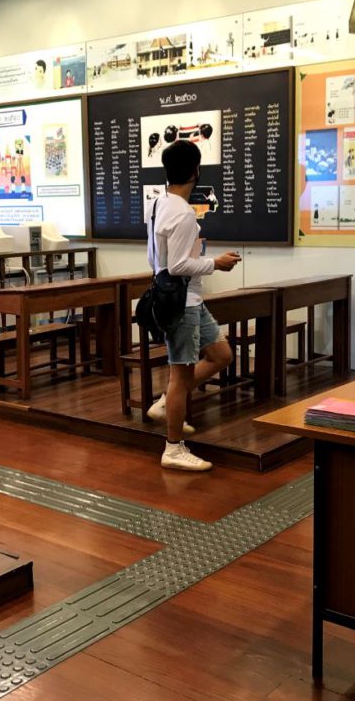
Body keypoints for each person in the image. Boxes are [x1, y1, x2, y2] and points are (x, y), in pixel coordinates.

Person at [145, 140, 241, 471]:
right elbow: (178, 266)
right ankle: (173, 448)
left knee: (222, 355)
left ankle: (164, 404)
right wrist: (217, 263)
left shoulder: (159, 204)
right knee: (180, 374)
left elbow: (157, 260)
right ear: (196, 171)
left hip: (189, 301)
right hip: (182, 303)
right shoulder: (183, 214)